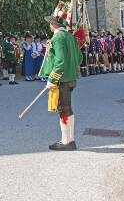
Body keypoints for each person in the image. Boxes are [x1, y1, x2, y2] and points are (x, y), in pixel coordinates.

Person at [41, 12, 81, 151]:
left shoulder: (58, 37)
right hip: (71, 78)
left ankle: (66, 141)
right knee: (67, 108)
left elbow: (60, 62)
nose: (50, 25)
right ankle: (70, 139)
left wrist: (52, 79)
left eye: (50, 23)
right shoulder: (70, 37)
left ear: (53, 24)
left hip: (62, 80)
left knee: (63, 109)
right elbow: (79, 58)